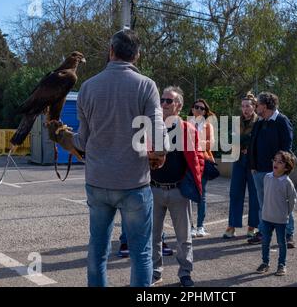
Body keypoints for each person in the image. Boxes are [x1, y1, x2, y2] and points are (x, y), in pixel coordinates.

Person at [48, 29, 168, 287]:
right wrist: (158, 156)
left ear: (111, 51)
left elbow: (82, 141)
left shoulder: (88, 87)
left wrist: (62, 137)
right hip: (134, 183)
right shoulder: (147, 86)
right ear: (137, 55)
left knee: (98, 252)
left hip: (98, 182)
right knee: (141, 254)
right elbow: (158, 136)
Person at [151, 86, 204, 287]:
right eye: (162, 100)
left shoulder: (188, 129)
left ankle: (185, 274)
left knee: (184, 238)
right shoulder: (152, 126)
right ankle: (155, 272)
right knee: (153, 237)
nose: (163, 104)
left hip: (178, 191)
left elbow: (198, 157)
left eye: (168, 101)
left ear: (178, 106)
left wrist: (192, 182)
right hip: (153, 189)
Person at [248, 92, 296, 248]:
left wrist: (280, 169)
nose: (255, 107)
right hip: (259, 171)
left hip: (277, 172)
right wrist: (253, 166)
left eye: (257, 104)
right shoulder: (260, 122)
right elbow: (253, 145)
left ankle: (288, 235)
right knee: (263, 204)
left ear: (265, 105)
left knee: (283, 203)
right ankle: (263, 232)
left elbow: (287, 148)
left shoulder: (282, 121)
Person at [223, 93, 260, 239]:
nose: (245, 109)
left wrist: (243, 140)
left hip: (253, 161)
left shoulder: (259, 121)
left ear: (254, 106)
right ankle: (231, 226)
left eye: (248, 106)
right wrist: (244, 140)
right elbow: (231, 139)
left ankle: (252, 227)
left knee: (254, 195)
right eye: (243, 106)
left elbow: (255, 140)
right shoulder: (236, 121)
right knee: (235, 193)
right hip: (238, 159)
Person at [256, 151, 297, 277]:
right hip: (267, 217)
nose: (276, 163)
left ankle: (281, 264)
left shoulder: (287, 182)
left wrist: (286, 213)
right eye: (275, 160)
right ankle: (265, 262)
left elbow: (292, 199)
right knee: (265, 241)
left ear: (286, 167)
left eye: (280, 162)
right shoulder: (267, 177)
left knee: (281, 242)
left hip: (280, 219)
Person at [188, 99, 216, 237]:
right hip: (187, 163)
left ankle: (200, 226)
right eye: (196, 107)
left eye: (202, 108)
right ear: (192, 109)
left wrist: (194, 142)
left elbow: (210, 145)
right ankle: (190, 227)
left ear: (205, 112)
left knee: (201, 195)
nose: (199, 110)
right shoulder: (184, 124)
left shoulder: (208, 126)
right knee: (187, 195)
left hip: (203, 161)